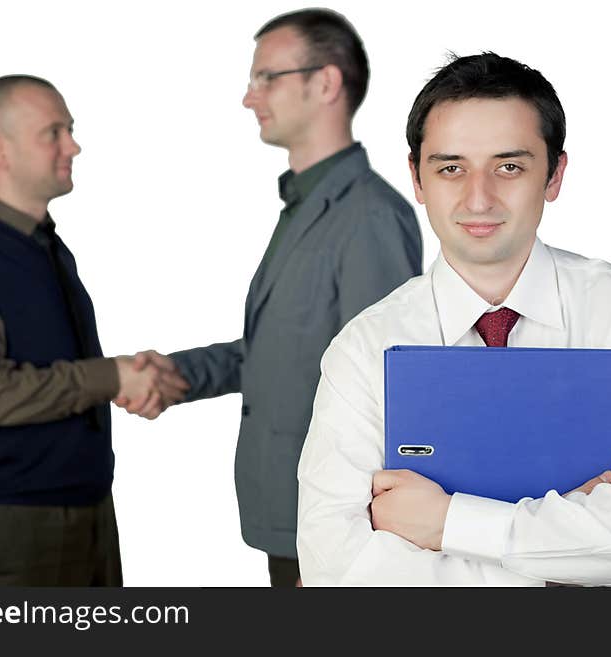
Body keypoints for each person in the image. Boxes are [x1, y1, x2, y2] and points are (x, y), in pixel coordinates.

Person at [296, 52, 611, 586]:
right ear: (417, 181)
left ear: (554, 175)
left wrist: (445, 523)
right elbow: (338, 569)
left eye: (509, 166)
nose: (479, 198)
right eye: (451, 169)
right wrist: (568, 567)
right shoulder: (364, 347)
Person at [122, 9, 422, 587]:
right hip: (289, 509)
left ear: (326, 83)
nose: (248, 97)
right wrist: (178, 373)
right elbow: (283, 346)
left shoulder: (369, 217)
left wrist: (357, 538)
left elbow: (384, 383)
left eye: (267, 77)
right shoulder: (307, 205)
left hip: (333, 525)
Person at [0, 75, 174, 586]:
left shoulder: (49, 248)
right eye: (53, 132)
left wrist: (132, 375)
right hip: (18, 530)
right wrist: (112, 377)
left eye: (70, 130)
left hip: (91, 511)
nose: (73, 145)